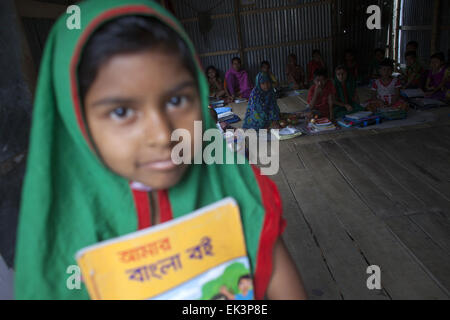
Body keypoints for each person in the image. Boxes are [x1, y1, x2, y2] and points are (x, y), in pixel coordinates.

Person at [14, 0, 307, 300]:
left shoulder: (239, 187)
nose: (162, 135)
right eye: (121, 112)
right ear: (75, 120)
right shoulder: (56, 236)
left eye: (177, 100)